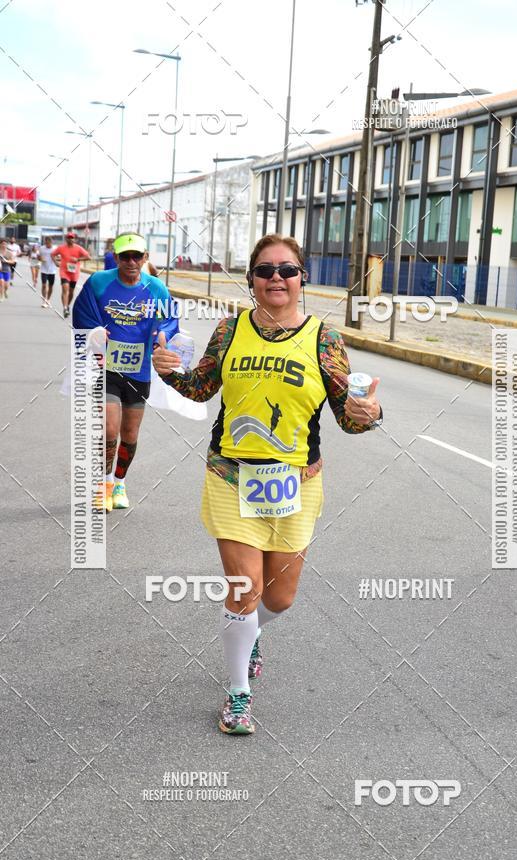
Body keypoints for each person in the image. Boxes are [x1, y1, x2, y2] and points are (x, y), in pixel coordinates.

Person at [152, 233, 383, 735]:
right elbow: (200, 387)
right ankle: (238, 695)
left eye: (287, 270)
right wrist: (169, 371)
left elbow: (350, 418)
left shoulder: (324, 339)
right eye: (265, 270)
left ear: (303, 278)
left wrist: (372, 412)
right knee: (245, 588)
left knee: (278, 599)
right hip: (231, 475)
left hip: (296, 483)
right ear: (252, 279)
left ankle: (251, 632)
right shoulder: (230, 329)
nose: (276, 278)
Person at [72, 232, 179, 512]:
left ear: (145, 258)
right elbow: (81, 313)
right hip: (105, 368)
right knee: (108, 428)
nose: (131, 262)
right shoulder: (99, 282)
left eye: (136, 256)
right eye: (125, 256)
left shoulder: (156, 288)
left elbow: (170, 320)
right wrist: (96, 330)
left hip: (139, 370)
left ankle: (119, 482)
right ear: (116, 258)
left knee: (130, 433)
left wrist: (163, 335)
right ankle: (104, 484)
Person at [51, 232, 90, 318]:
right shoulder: (61, 248)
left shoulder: (78, 248)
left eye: (72, 238)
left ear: (74, 239)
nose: (70, 239)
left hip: (74, 273)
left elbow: (88, 257)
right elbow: (52, 254)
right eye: (69, 238)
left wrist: (78, 259)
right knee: (65, 289)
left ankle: (67, 305)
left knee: (71, 292)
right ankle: (65, 308)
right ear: (66, 239)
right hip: (64, 271)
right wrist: (56, 262)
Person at [39, 236, 57, 307]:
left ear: (51, 242)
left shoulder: (55, 249)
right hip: (44, 270)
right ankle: (44, 300)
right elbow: (39, 256)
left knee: (50, 286)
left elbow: (58, 257)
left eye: (49, 243)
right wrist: (41, 259)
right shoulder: (42, 248)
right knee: (44, 285)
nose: (47, 245)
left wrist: (56, 259)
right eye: (46, 243)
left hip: (52, 270)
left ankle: (48, 299)